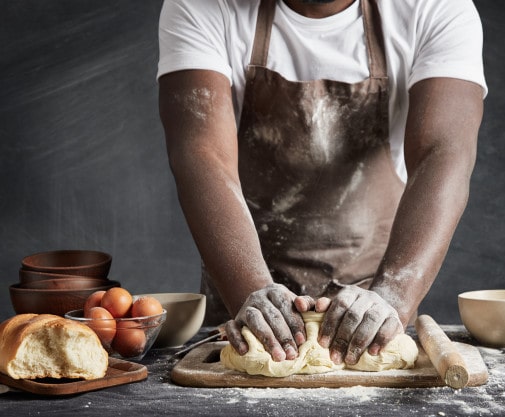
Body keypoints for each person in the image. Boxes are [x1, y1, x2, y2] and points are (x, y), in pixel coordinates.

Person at [157, 0, 486, 366]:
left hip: (369, 309)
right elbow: (202, 158)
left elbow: (443, 155)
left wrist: (393, 296)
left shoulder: (434, 7)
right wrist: (251, 292)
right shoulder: (203, 5)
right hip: (244, 300)